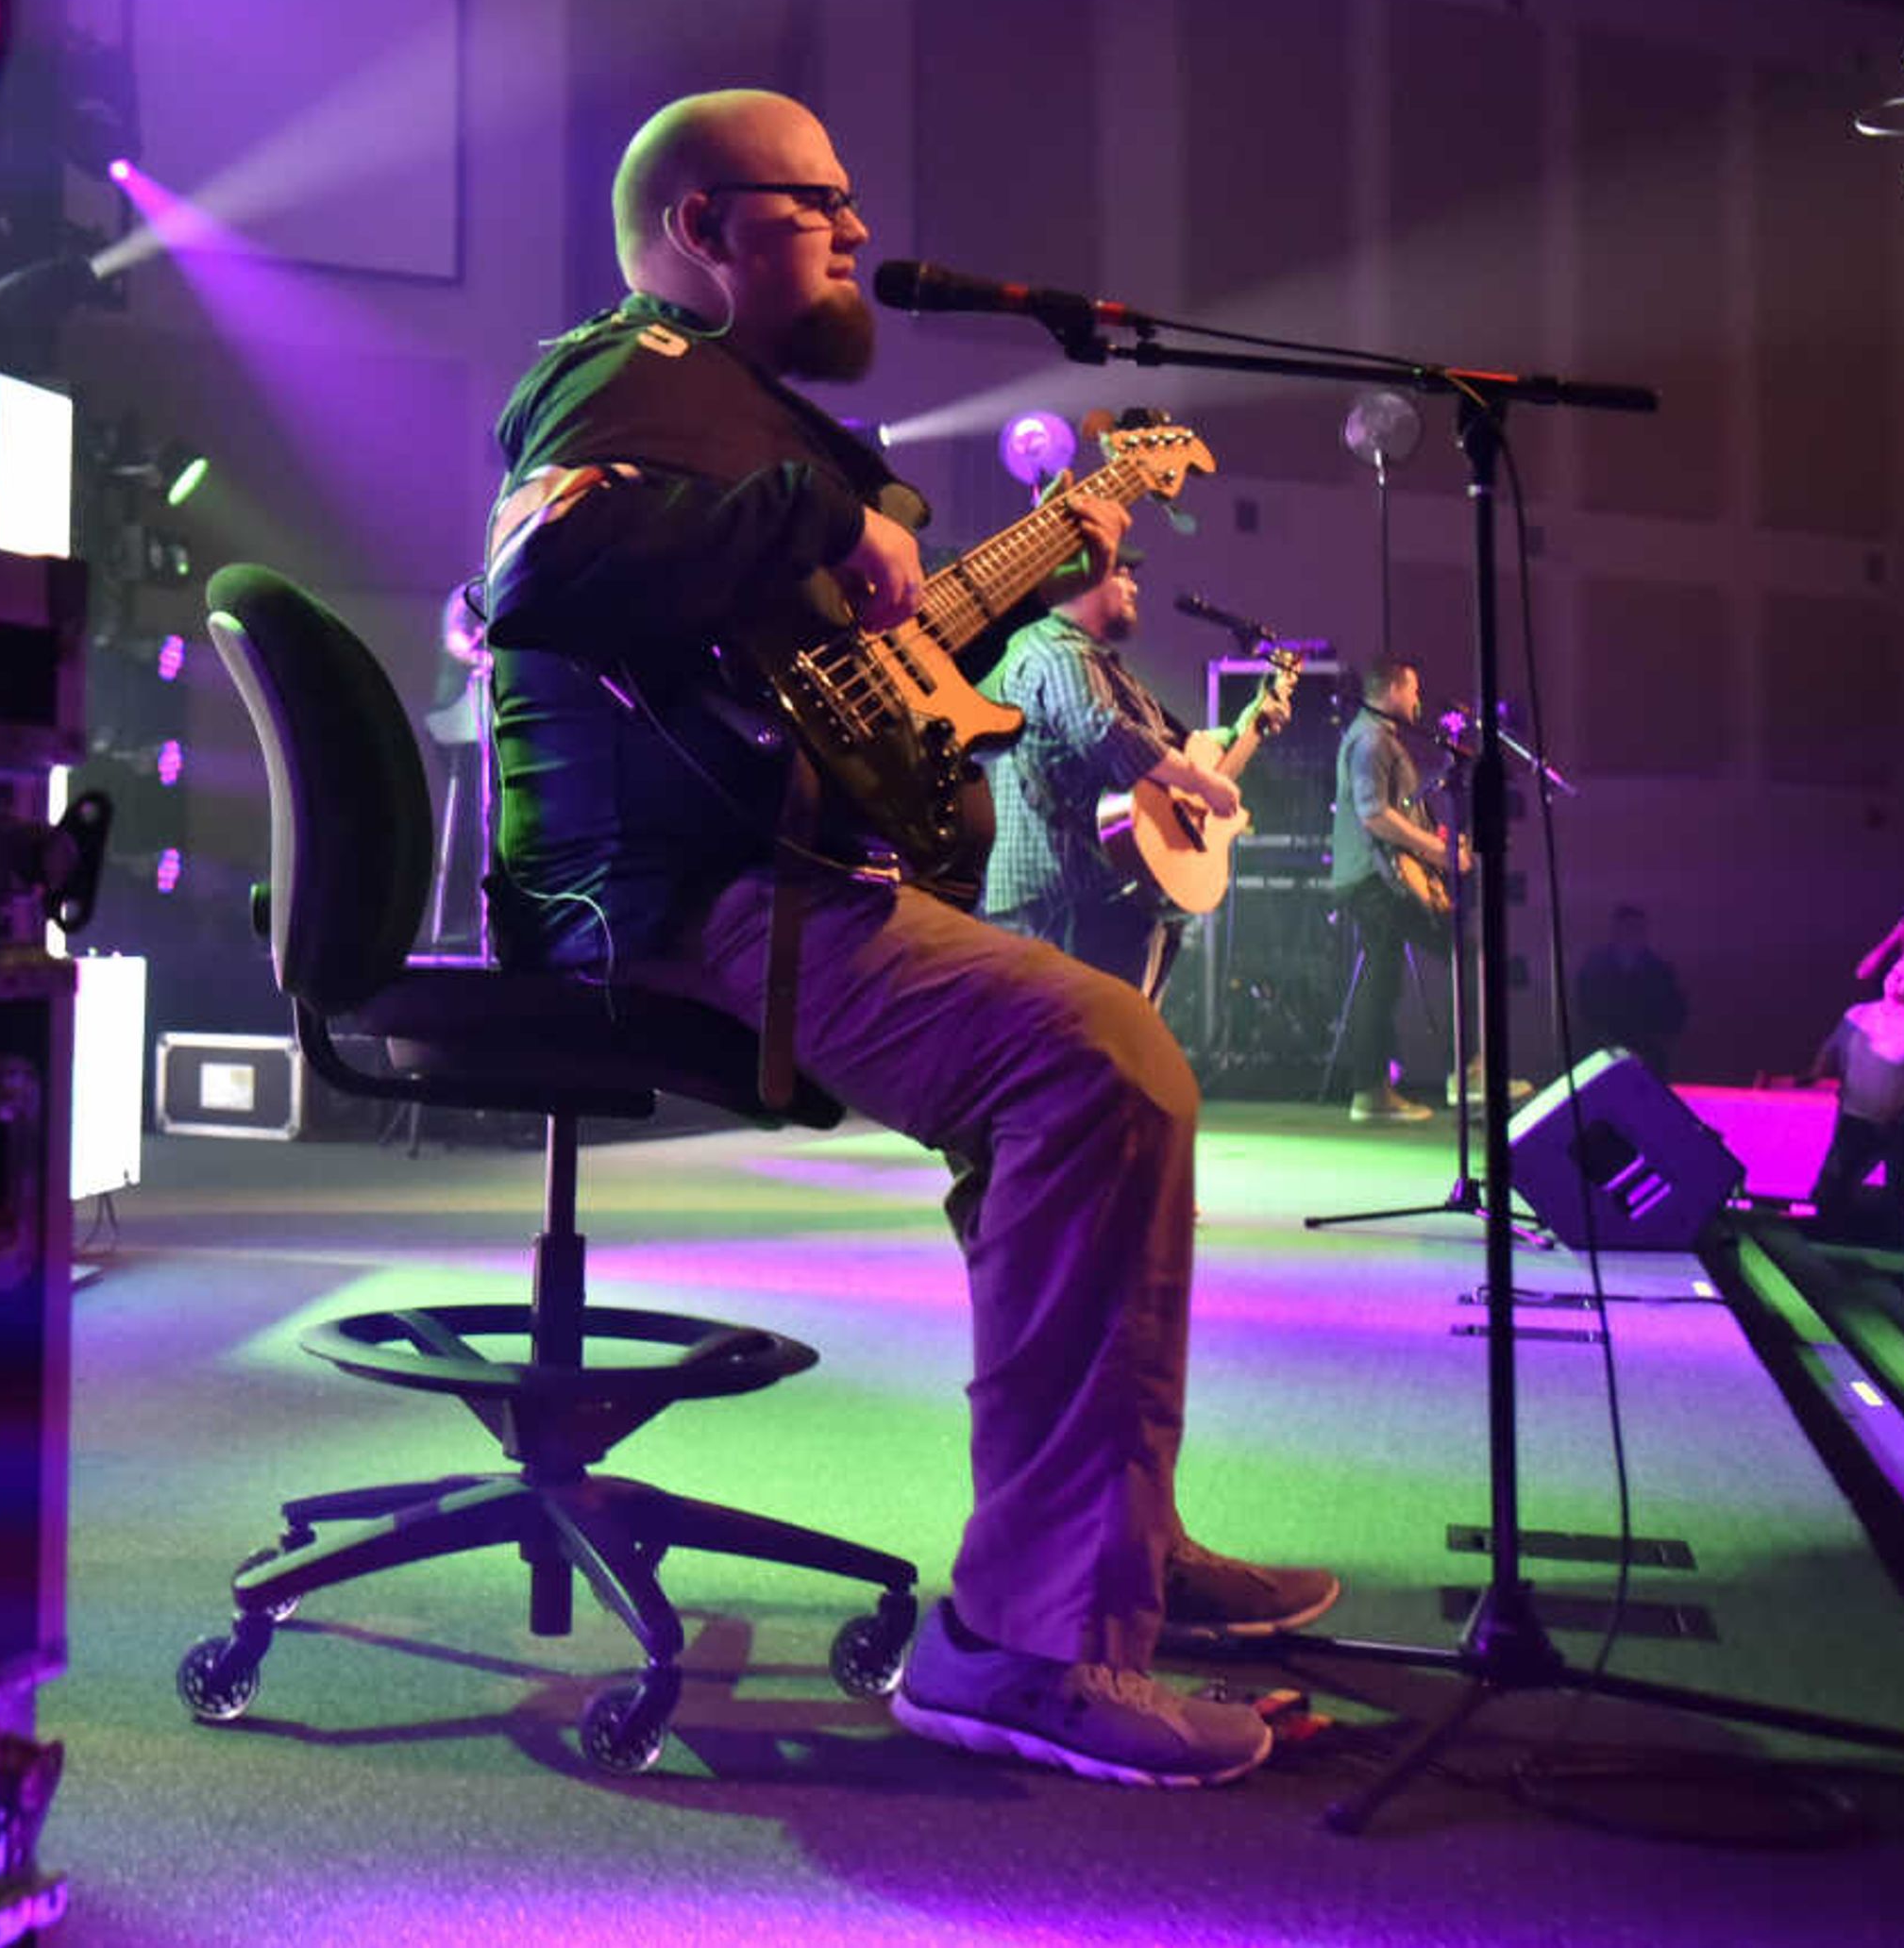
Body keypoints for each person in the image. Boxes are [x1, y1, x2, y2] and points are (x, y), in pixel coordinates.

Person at [478, 88, 1328, 1791]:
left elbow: (854, 657)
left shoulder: (737, 406)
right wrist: (816, 518)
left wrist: (1009, 561)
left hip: (773, 863)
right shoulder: (624, 369)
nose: (861, 230)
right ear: (705, 226)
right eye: (822, 203)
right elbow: (539, 569)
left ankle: (1113, 1555)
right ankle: (1027, 1640)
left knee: (1110, 1065)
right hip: (677, 892)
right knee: (1100, 1056)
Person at [978, 550, 1261, 1001]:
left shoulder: (1090, 661)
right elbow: (1103, 732)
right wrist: (1201, 782)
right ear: (1084, 579)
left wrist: (1245, 728)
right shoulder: (1058, 654)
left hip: (1086, 895)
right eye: (1121, 573)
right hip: (1067, 897)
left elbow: (1160, 749)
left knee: (1103, 1052)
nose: (1134, 586)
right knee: (1090, 1055)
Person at [1325, 657, 1464, 1122]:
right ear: (1393, 689)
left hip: (1372, 876)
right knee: (1454, 953)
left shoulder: (1378, 739)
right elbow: (1375, 815)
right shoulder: (1371, 740)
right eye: (1413, 689)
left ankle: (1377, 1088)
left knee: (1387, 974)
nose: (1419, 700)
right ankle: (1381, 1089)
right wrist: (1438, 852)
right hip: (1373, 878)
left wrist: (1434, 845)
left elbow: (1395, 813)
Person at [1807, 947, 1904, 1243]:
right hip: (1855, 1117)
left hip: (1899, 1125)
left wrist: (1896, 1110)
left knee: (1895, 1195)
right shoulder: (1858, 1014)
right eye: (1895, 972)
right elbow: (1831, 1049)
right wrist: (1814, 1073)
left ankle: (1888, 1251)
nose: (1896, 979)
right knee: (1834, 1185)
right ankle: (1827, 1240)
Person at [1573, 904, 1689, 1080]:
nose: (1632, 933)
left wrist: (1659, 1041)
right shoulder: (1594, 966)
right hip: (1603, 1051)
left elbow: (1674, 1011)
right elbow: (1585, 1007)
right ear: (1616, 930)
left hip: (1648, 1053)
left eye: (1637, 928)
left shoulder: (1660, 969)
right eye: (1627, 928)